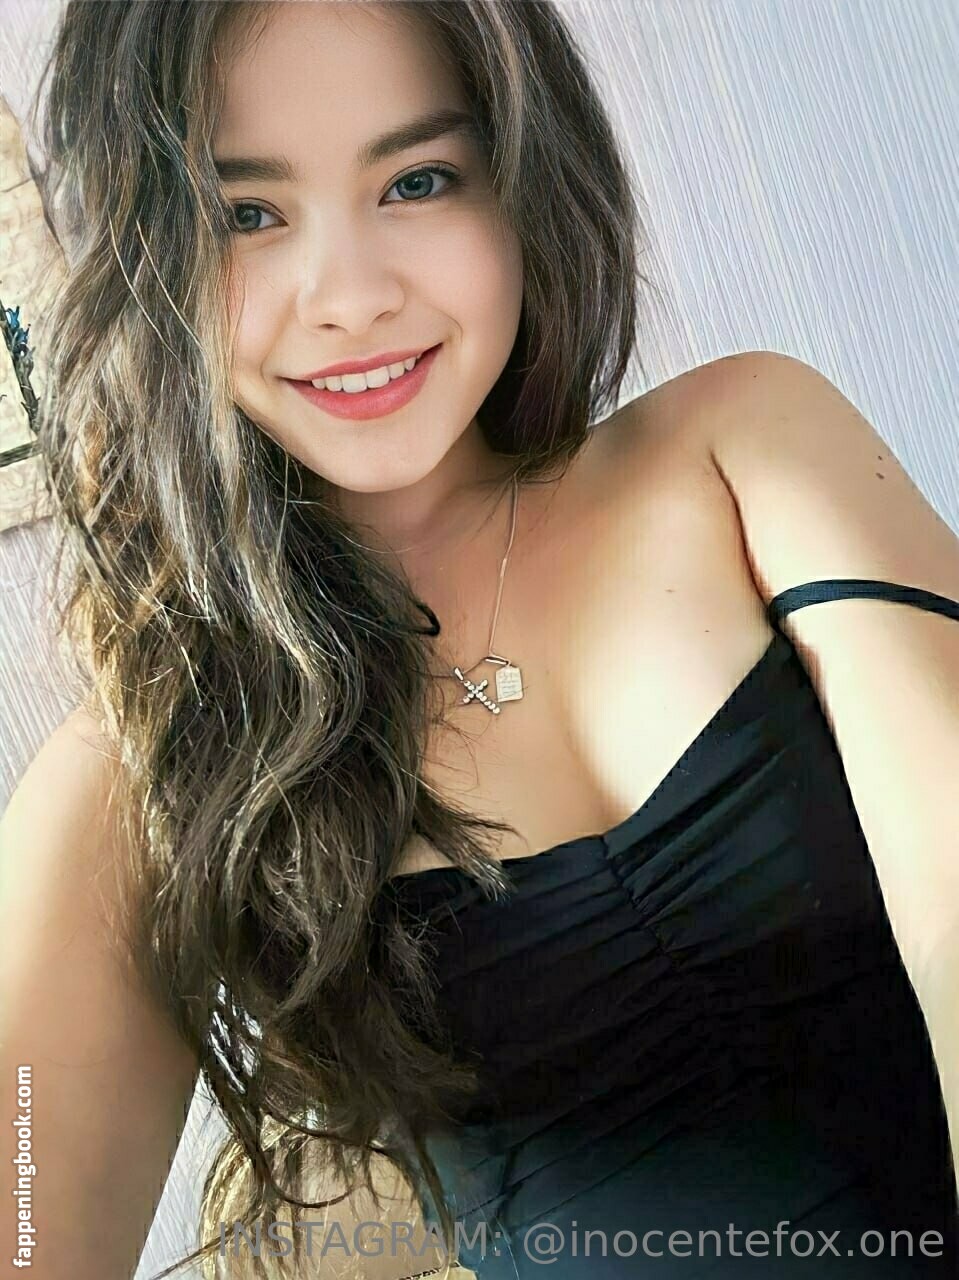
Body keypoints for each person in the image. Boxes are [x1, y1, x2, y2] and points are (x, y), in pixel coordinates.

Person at [1, 2, 958, 1278]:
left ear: (519, 179)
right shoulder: (146, 758)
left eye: (416, 180)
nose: (350, 297)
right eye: (245, 213)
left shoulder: (738, 446)